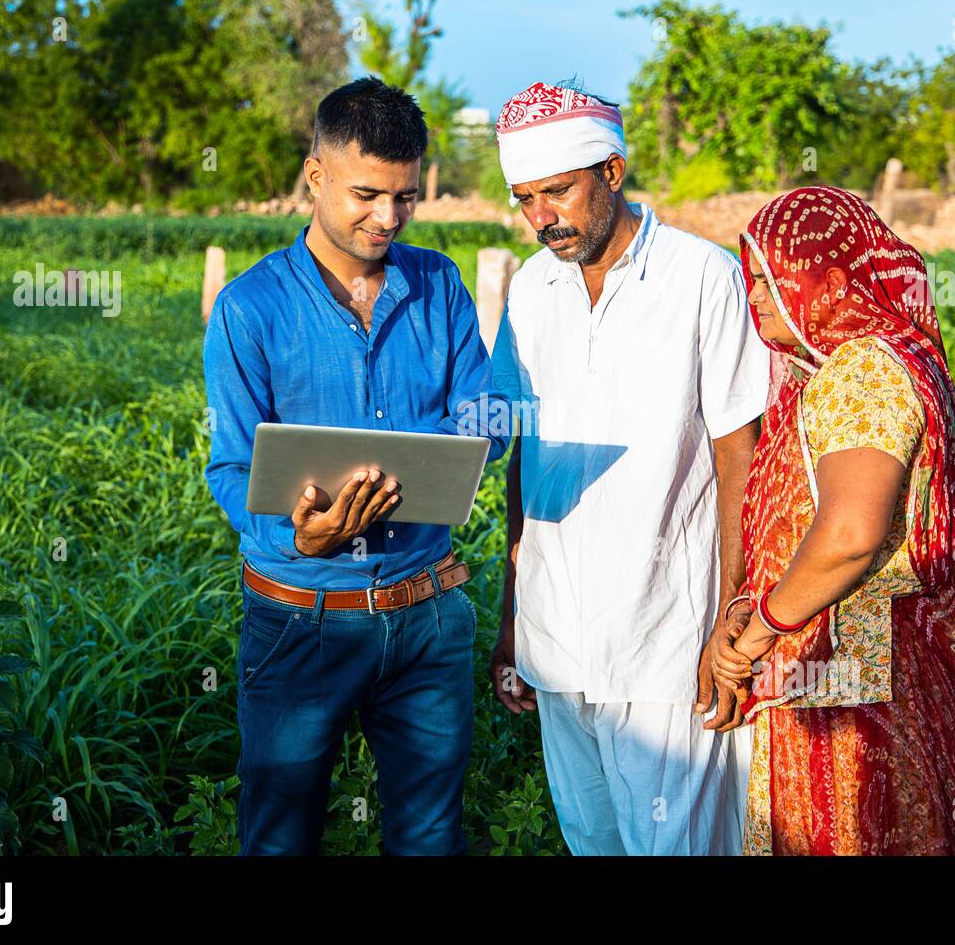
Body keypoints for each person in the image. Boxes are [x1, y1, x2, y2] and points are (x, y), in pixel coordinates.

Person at [202, 77, 509, 855]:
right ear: (316, 176)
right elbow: (232, 466)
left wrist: (455, 444)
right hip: (299, 618)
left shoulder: (439, 283)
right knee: (279, 837)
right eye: (367, 194)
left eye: (405, 198)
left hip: (427, 616)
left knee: (431, 837)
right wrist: (299, 534)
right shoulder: (250, 308)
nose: (387, 218)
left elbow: (485, 417)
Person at [710, 185, 955, 855]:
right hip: (898, 660)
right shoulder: (900, 354)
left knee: (863, 827)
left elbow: (848, 535)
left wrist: (759, 633)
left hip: (859, 682)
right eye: (748, 281)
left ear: (829, 283)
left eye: (767, 281)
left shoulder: (862, 369)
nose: (751, 298)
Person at [488, 81, 770, 855]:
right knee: (592, 838)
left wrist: (734, 612)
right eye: (525, 199)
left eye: (559, 191)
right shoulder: (531, 289)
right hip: (555, 634)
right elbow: (521, 451)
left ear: (611, 172)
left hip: (666, 634)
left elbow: (737, 450)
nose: (543, 217)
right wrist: (513, 612)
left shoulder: (701, 276)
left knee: (676, 844)